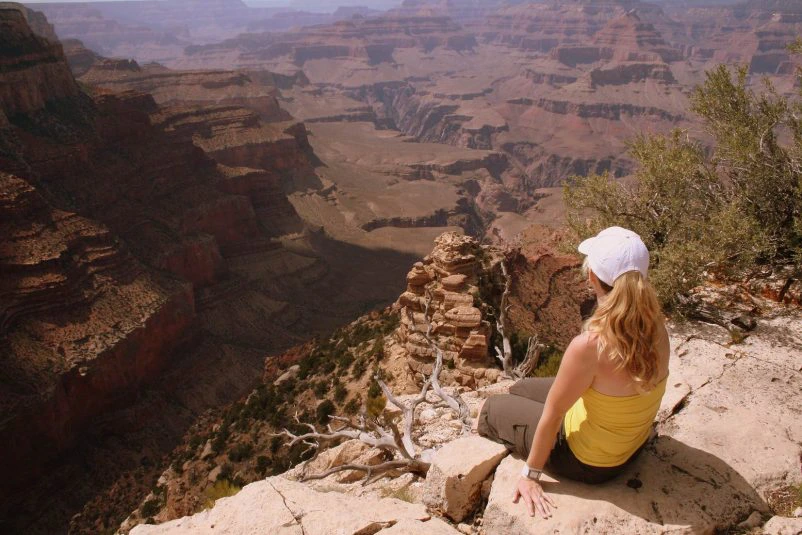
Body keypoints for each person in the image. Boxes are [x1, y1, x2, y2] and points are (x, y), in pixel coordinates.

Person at [477, 226, 670, 520]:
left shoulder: (590, 346)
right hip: (630, 443)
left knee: (491, 408)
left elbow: (554, 415)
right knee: (522, 388)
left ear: (591, 276)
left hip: (589, 463)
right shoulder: (656, 323)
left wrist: (530, 474)